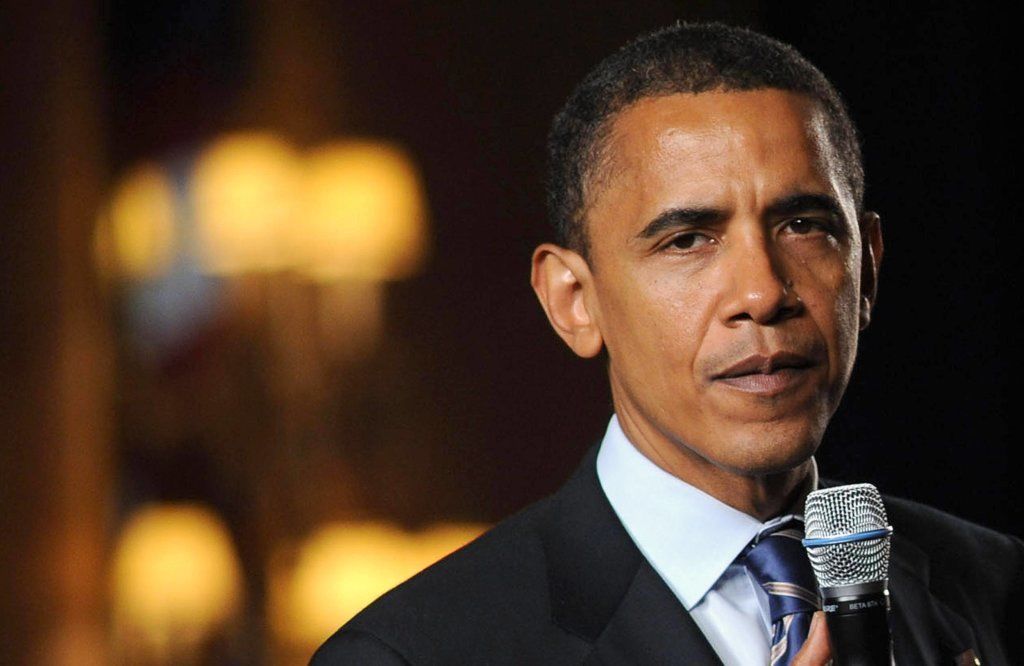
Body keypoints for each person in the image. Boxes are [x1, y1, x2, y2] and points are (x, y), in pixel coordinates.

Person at [312, 22, 1021, 665]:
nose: (763, 292)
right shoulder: (416, 654)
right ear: (574, 301)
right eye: (688, 240)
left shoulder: (995, 590)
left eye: (804, 225)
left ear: (866, 268)